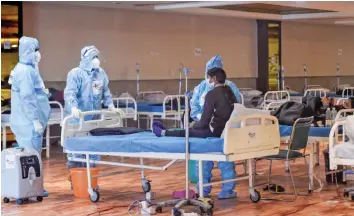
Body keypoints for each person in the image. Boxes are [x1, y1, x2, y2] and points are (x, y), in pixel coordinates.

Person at [152, 67, 238, 199]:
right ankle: (228, 190)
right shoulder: (230, 92)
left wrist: (195, 124)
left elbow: (204, 122)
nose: (208, 80)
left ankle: (163, 132)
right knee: (195, 131)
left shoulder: (212, 94)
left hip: (214, 132)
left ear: (213, 79)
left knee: (188, 132)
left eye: (209, 78)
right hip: (229, 132)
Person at [64, 45, 124, 170]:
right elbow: (70, 93)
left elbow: (105, 91)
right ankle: (77, 181)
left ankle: (91, 181)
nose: (96, 59)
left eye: (97, 56)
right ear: (86, 58)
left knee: (93, 151)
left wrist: (111, 106)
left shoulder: (100, 73)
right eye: (93, 57)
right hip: (78, 119)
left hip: (95, 120)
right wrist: (74, 108)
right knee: (77, 152)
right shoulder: (75, 74)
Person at [9, 36, 51, 197]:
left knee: (30, 156)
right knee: (32, 157)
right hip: (29, 122)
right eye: (36, 50)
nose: (38, 54)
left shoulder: (25, 69)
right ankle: (33, 189)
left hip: (26, 121)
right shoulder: (25, 72)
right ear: (29, 52)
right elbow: (27, 98)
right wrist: (35, 120)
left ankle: (31, 187)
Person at [190, 55, 241, 122]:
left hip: (223, 123)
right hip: (216, 123)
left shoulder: (229, 87)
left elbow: (235, 107)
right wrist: (200, 117)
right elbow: (195, 107)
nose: (210, 80)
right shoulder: (201, 87)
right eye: (209, 76)